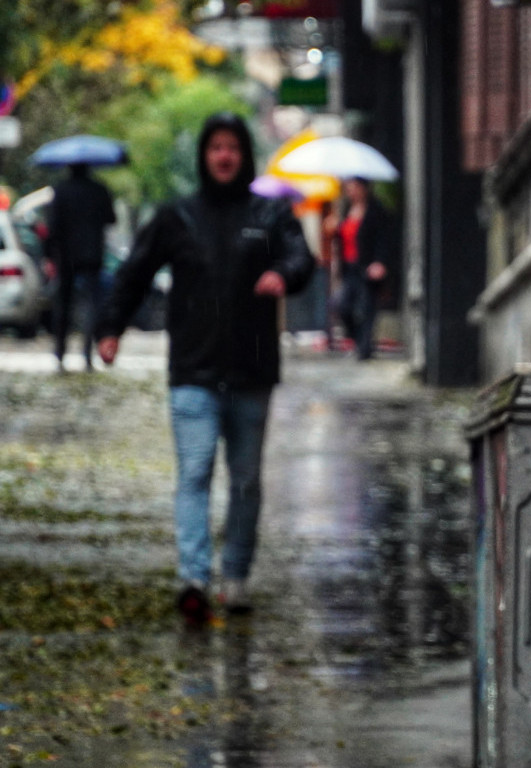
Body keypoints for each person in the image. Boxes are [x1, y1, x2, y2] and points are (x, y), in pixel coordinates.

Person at [97, 112, 316, 627]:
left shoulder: (270, 214)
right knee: (194, 474)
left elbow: (301, 257)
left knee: (245, 482)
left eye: (232, 147)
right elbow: (134, 273)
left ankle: (235, 577)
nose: (223, 156)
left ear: (243, 155)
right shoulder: (178, 216)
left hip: (251, 371)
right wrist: (110, 327)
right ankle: (194, 578)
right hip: (193, 371)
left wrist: (283, 274)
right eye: (215, 147)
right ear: (204, 155)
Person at [47, 163, 116, 372]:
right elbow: (111, 218)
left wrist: (50, 255)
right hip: (92, 254)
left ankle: (60, 352)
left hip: (66, 255)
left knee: (64, 305)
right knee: (92, 305)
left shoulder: (61, 191)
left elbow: (53, 225)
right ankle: (87, 352)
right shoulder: (99, 190)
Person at [326, 177, 391, 360]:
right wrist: (334, 230)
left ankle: (364, 349)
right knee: (341, 305)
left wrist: (380, 262)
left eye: (354, 187)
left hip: (367, 266)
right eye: (348, 187)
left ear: (364, 188)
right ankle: (358, 340)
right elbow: (345, 237)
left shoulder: (376, 211)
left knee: (366, 307)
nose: (350, 191)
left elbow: (383, 239)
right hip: (349, 267)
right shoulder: (346, 209)